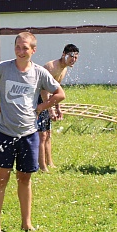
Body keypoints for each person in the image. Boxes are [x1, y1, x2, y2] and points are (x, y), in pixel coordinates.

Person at [0, 32, 65, 232]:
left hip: (29, 134)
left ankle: (26, 222)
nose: (21, 51)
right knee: (1, 178)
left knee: (25, 178)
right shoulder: (3, 68)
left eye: (25, 48)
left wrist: (43, 107)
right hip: (4, 132)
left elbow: (60, 93)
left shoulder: (40, 73)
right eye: (18, 47)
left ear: (33, 50)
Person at [37, 44, 79, 172]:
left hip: (47, 100)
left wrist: (58, 108)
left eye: (76, 57)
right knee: (42, 136)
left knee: (48, 134)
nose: (73, 59)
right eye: (71, 56)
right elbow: (43, 91)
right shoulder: (51, 67)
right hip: (38, 100)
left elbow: (56, 90)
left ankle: (49, 162)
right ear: (63, 54)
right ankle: (42, 166)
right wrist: (49, 109)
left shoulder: (64, 69)